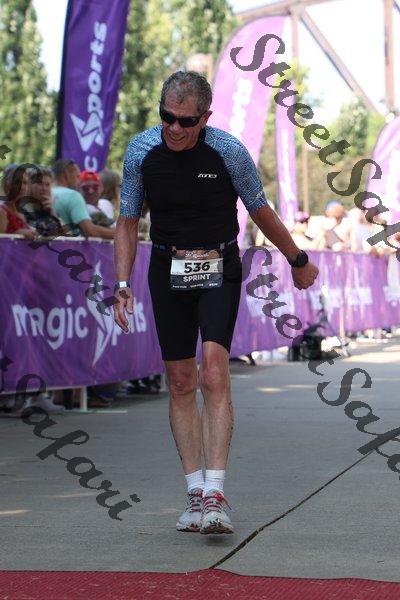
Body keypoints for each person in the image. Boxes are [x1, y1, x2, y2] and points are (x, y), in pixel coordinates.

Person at [113, 71, 319, 535]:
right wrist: (122, 282)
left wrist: (298, 259)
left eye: (186, 121)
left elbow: (260, 210)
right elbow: (127, 220)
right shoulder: (141, 150)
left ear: (205, 117)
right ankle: (194, 491)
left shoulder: (228, 151)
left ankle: (216, 493)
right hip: (167, 267)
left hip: (218, 267)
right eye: (167, 117)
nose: (175, 128)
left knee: (213, 371)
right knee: (180, 380)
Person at [52, 159, 115, 240]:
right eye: (77, 176)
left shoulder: (45, 193)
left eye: (95, 187)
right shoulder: (73, 195)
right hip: (67, 246)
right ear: (66, 174)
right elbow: (90, 230)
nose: (78, 181)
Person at [0, 164, 36, 239]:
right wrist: (17, 234)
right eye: (17, 182)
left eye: (25, 183)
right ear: (7, 184)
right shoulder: (2, 212)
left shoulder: (24, 212)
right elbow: (2, 242)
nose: (22, 187)